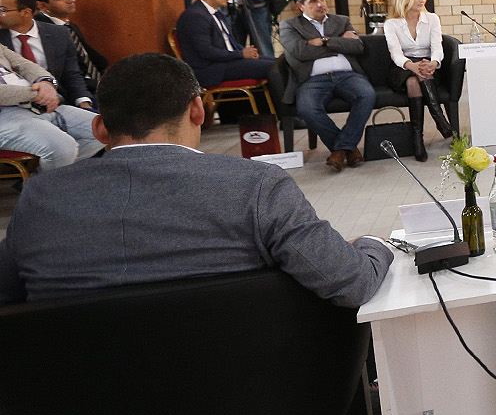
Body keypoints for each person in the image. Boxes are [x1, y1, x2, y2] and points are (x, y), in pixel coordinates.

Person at [0, 53, 392, 307]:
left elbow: (10, 295)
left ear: (100, 128)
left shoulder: (39, 195)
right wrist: (375, 244)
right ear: (198, 111)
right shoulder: (257, 186)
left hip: (74, 404)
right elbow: (351, 283)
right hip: (257, 394)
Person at [279, 0, 376, 171]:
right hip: (313, 80)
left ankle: (340, 150)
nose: (320, 4)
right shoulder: (290, 25)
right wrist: (340, 43)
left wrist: (324, 41)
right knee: (307, 108)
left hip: (348, 75)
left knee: (366, 94)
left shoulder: (341, 21)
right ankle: (347, 149)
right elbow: (300, 52)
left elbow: (357, 47)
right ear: (300, 6)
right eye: (313, 1)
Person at [0, 42, 101, 172]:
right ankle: (50, 181)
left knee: (104, 129)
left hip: (41, 104)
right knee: (63, 148)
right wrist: (38, 94)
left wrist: (47, 83)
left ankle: (41, 179)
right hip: (6, 114)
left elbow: (27, 65)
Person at [383, 0, 455, 158]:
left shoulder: (432, 19)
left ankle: (418, 139)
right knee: (414, 79)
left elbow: (437, 47)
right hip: (402, 66)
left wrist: (434, 63)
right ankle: (440, 122)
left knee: (415, 82)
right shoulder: (391, 24)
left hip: (427, 65)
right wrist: (411, 66)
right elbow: (395, 54)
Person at [0, 0, 93, 109]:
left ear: (26, 12)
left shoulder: (59, 33)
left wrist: (83, 102)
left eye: (2, 10)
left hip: (59, 99)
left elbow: (71, 74)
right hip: (16, 104)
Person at [174, 0, 273, 89]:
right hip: (211, 69)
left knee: (280, 62)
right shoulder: (195, 16)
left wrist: (247, 52)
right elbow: (207, 52)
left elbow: (230, 43)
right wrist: (241, 54)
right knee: (275, 67)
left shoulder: (217, 13)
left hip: (226, 62)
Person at [28, 0, 107, 95]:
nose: (71, 0)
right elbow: (63, 75)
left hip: (95, 81)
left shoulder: (70, 26)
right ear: (42, 5)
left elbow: (90, 59)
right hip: (74, 90)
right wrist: (102, 85)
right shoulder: (42, 30)